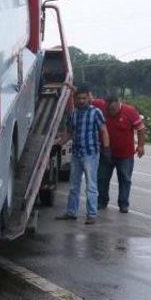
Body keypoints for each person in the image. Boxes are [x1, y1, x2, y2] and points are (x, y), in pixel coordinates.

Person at [55, 85, 110, 224]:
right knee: (73, 185)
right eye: (79, 98)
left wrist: (107, 149)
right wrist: (58, 144)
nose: (81, 101)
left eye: (84, 98)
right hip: (76, 154)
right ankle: (71, 212)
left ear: (89, 98)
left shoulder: (96, 112)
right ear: (75, 98)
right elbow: (69, 133)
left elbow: (103, 130)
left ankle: (91, 214)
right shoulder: (73, 113)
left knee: (91, 185)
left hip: (91, 154)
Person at [92, 95, 145, 213]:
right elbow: (85, 96)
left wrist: (140, 146)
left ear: (119, 103)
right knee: (102, 178)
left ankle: (123, 204)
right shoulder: (101, 105)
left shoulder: (130, 111)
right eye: (109, 110)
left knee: (125, 179)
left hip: (125, 155)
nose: (112, 113)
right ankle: (102, 201)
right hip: (106, 152)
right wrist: (71, 87)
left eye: (114, 110)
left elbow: (141, 129)